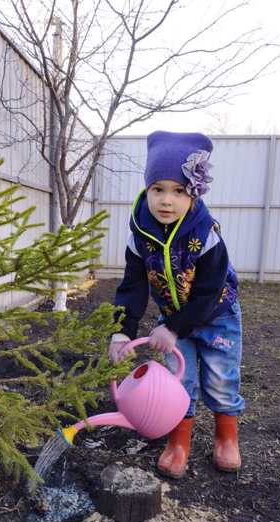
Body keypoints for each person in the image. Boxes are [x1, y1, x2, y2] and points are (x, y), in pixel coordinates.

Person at [109, 130, 244, 479]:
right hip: (173, 319)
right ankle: (178, 441)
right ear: (147, 189)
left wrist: (172, 328)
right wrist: (121, 332)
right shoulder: (140, 235)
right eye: (158, 189)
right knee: (178, 380)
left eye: (178, 191)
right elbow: (133, 287)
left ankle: (226, 437)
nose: (166, 201)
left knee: (220, 379)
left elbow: (209, 291)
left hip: (217, 316)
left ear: (194, 193)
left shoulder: (206, 235)